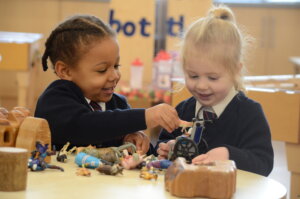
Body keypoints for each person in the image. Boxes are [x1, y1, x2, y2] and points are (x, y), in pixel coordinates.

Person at [35, 14, 180, 155]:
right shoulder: (54, 100)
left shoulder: (119, 104)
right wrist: (145, 116)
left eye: (116, 66)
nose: (115, 76)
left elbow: (119, 130)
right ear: (65, 71)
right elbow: (86, 126)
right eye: (102, 70)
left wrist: (135, 140)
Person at [156, 5, 274, 176]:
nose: (202, 86)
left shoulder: (249, 113)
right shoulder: (183, 110)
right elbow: (160, 145)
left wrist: (229, 155)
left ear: (235, 71)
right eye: (193, 76)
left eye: (212, 78)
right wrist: (167, 148)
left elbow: (263, 163)